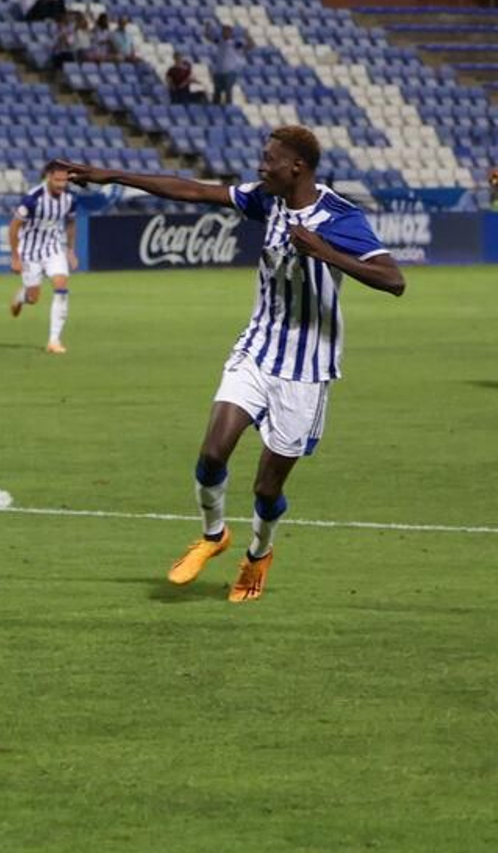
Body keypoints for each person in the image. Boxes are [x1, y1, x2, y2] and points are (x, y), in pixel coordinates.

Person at [55, 125, 406, 602]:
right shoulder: (268, 199)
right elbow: (193, 190)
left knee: (266, 488)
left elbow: (393, 280)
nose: (261, 168)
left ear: (297, 167)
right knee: (212, 453)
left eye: (270, 160)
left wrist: (324, 252)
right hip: (258, 347)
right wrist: (113, 175)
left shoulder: (339, 216)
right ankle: (214, 535)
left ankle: (259, 556)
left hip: (305, 368)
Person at [8, 162, 77, 354]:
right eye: (57, 180)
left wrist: (70, 250)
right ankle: (21, 296)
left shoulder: (70, 199)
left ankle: (54, 341)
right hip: (30, 252)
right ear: (48, 177)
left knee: (61, 286)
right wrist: (15, 257)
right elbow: (14, 227)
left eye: (64, 180)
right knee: (33, 298)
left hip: (54, 248)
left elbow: (71, 222)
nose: (61, 184)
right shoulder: (32, 199)